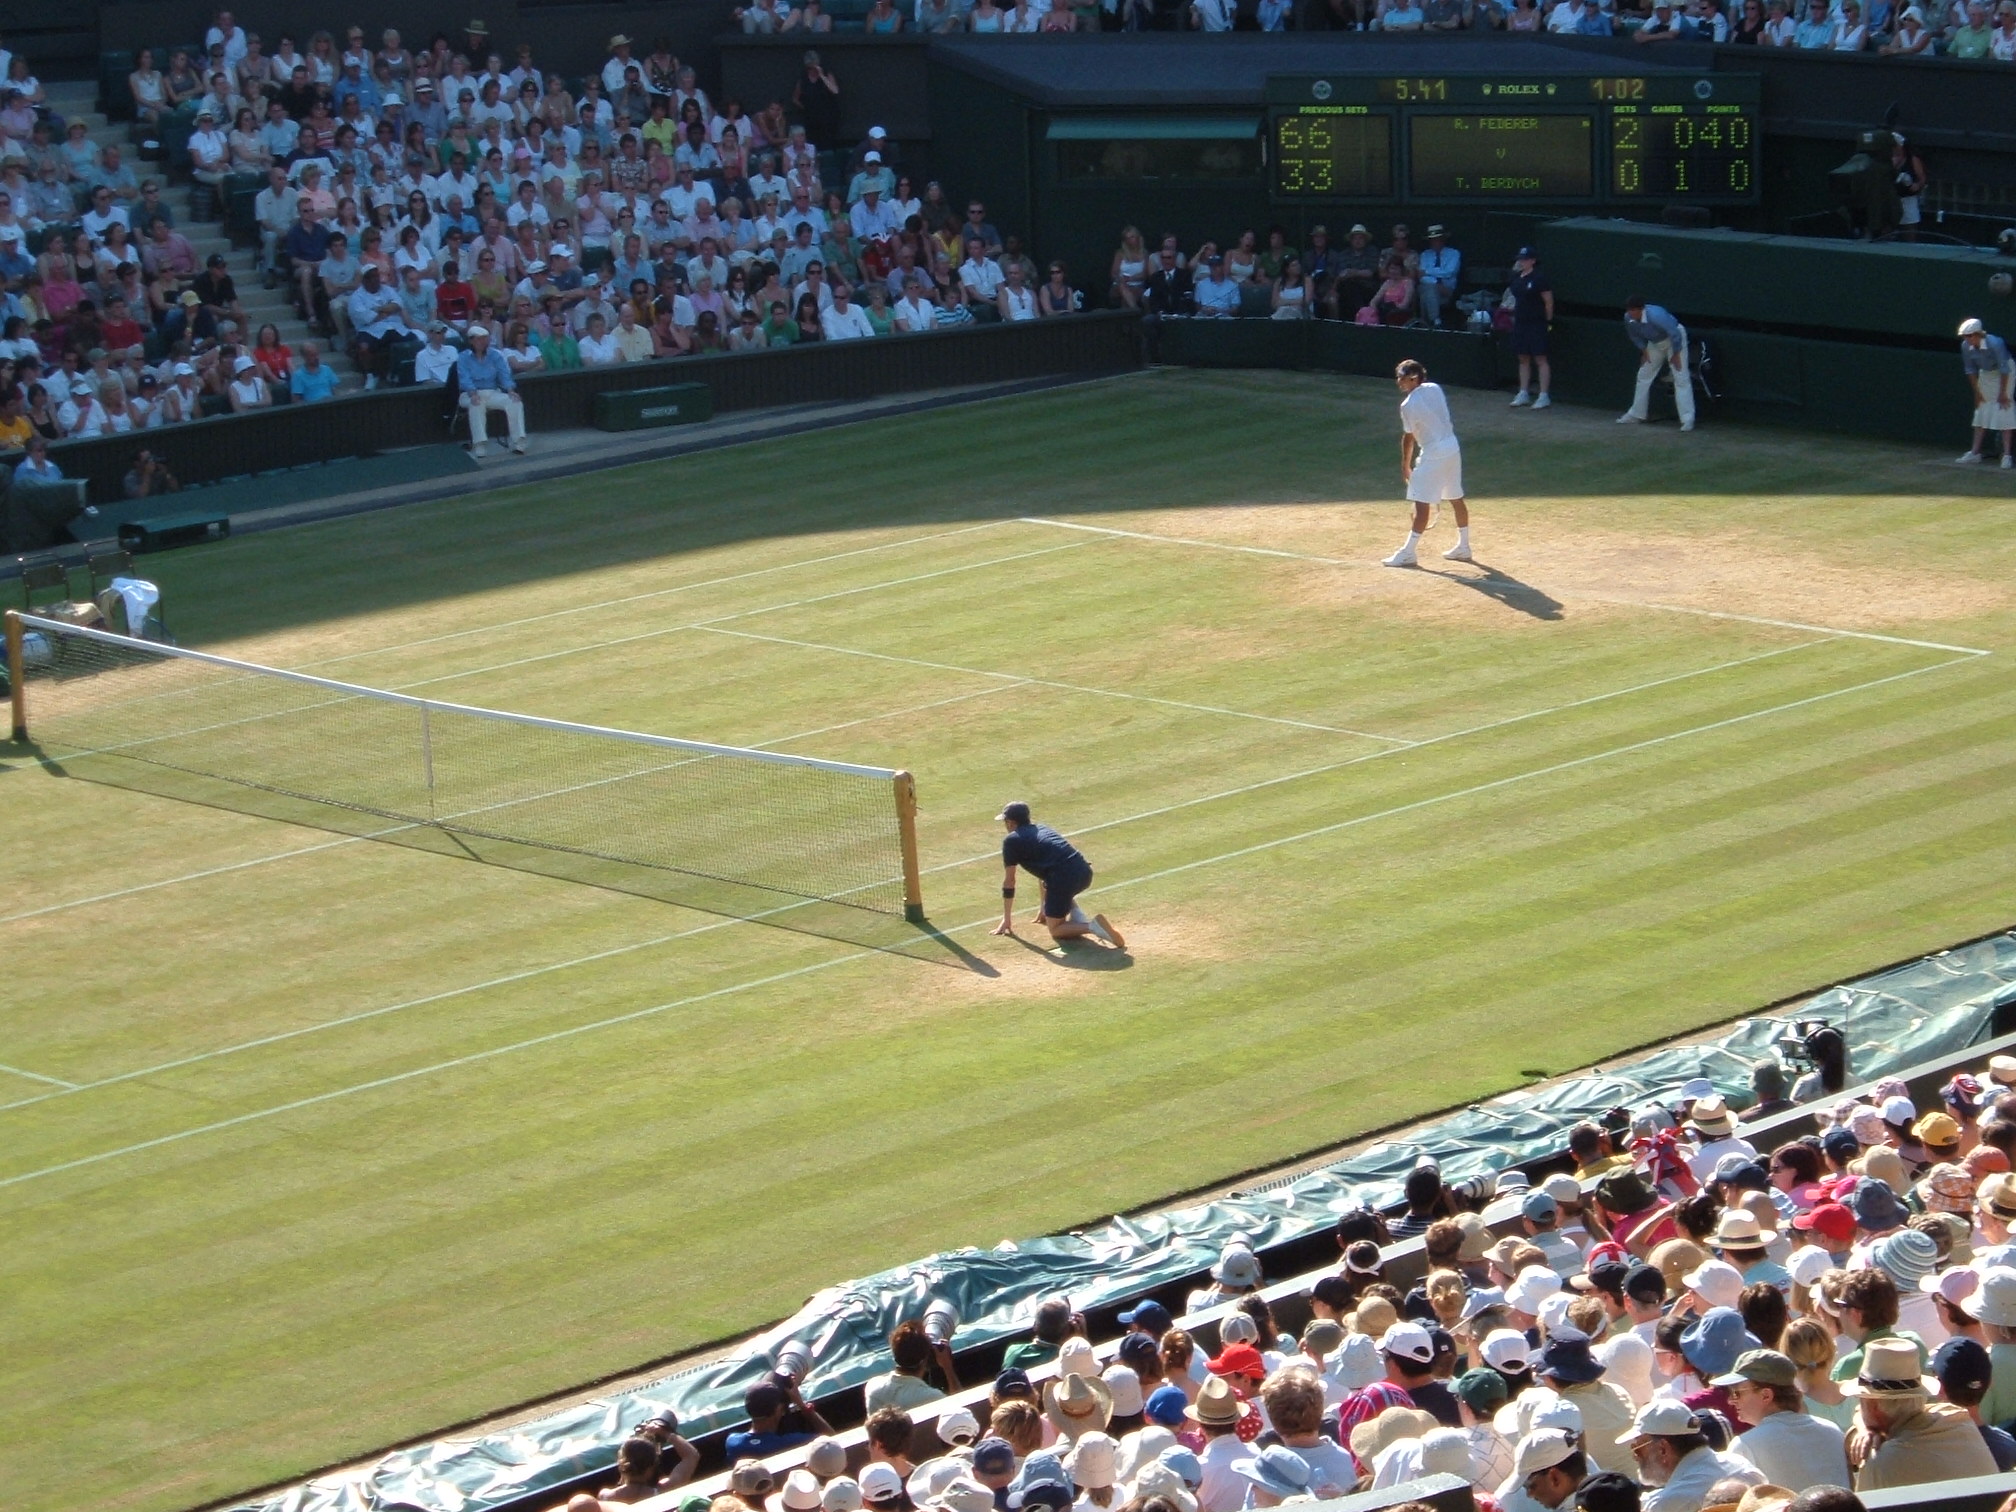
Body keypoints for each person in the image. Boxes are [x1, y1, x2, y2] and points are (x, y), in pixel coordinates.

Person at [992, 800, 1124, 948]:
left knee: (1055, 929)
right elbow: (1043, 874)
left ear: (1010, 823)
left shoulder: (1011, 841)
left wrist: (1007, 919)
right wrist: (1044, 907)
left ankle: (1092, 927)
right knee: (1052, 884)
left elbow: (1009, 882)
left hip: (1064, 880)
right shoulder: (1042, 828)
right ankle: (1078, 916)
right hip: (1084, 872)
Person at [1386, 359, 1471, 568]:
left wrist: (1405, 465)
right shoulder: (1435, 388)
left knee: (1422, 505)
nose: (1399, 382)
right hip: (1452, 447)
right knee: (1456, 497)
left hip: (1433, 454)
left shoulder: (1407, 406)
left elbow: (1409, 437)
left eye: (1403, 378)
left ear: (1414, 379)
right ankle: (1464, 546)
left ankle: (1408, 553)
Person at [1619, 295, 1695, 432]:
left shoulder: (1656, 316)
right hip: (1654, 343)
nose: (1630, 313)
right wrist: (1644, 350)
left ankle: (1687, 419)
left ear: (1641, 309)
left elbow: (1674, 333)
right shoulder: (1628, 318)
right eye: (1629, 310)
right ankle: (1636, 414)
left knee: (1680, 377)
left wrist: (1676, 353)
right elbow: (1634, 335)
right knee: (1643, 374)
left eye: (1634, 310)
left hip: (1674, 340)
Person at [457, 325, 527, 456]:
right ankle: (480, 445)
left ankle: (519, 443)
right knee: (476, 405)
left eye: (484, 339)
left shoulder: (495, 355)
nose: (482, 342)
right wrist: (473, 394)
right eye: (478, 339)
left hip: (492, 392)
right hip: (469, 394)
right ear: (471, 341)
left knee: (514, 401)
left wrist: (510, 390)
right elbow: (464, 378)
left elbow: (504, 375)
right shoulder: (463, 357)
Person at [1957, 318, 2014, 468]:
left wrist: (2003, 393)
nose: (1967, 339)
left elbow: (2004, 369)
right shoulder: (1965, 346)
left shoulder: (1996, 343)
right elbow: (1970, 370)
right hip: (1986, 373)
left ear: (1978, 334)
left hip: (2006, 372)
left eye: (1969, 336)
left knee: (2004, 406)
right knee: (1981, 408)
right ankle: (1975, 453)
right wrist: (1977, 393)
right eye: (1964, 336)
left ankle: (2007, 455)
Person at [1506, 247, 1554, 409]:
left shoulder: (1539, 279)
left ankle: (1543, 395)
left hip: (1537, 323)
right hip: (1520, 323)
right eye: (1520, 259)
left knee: (1540, 359)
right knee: (1523, 358)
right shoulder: (1516, 278)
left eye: (1525, 259)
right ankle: (1523, 393)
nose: (1521, 262)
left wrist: (1548, 322)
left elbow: (1548, 302)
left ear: (1533, 260)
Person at [1417, 225, 1461, 329]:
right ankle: (1436, 321)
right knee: (1428, 289)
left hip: (1448, 290)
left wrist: (1428, 272)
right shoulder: (1425, 255)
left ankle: (1425, 324)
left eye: (1437, 239)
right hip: (1433, 288)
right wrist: (1436, 285)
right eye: (1432, 240)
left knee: (1425, 295)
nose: (1435, 242)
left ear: (1443, 239)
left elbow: (1449, 272)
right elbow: (1421, 277)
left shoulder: (1454, 253)